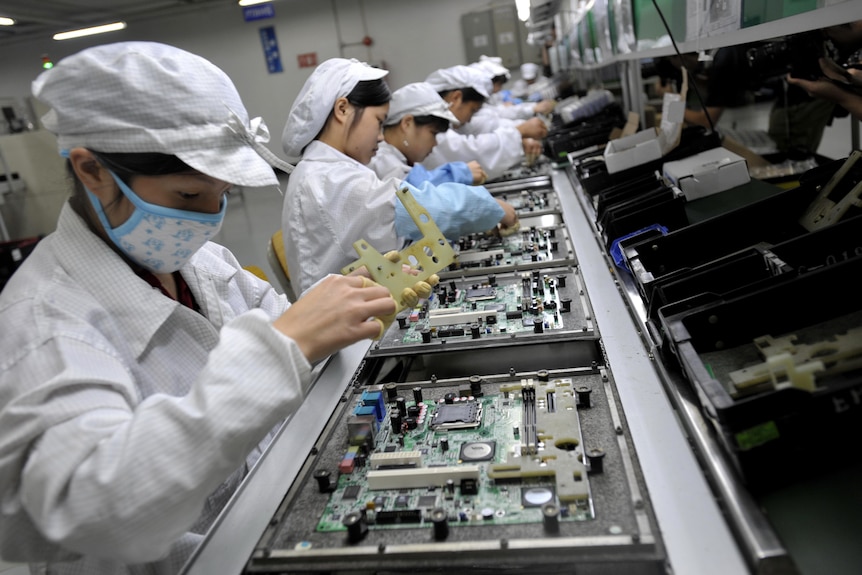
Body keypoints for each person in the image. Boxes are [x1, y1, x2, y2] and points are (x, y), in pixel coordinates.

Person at [0, 42, 396, 575]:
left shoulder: (202, 261)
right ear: (92, 170)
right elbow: (107, 508)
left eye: (223, 195)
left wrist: (340, 307)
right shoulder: (42, 325)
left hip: (267, 516)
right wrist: (281, 349)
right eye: (188, 197)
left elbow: (293, 340)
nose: (210, 218)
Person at [281, 58, 518, 295]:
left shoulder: (330, 170)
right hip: (351, 324)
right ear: (343, 110)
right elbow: (414, 208)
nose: (382, 137)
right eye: (379, 121)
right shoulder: (328, 179)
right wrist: (489, 206)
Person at [419, 65, 546, 181]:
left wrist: (518, 136)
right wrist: (519, 132)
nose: (469, 119)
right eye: (472, 110)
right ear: (456, 98)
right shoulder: (429, 129)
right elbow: (471, 152)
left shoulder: (446, 122)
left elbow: (484, 127)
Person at [369, 81, 487, 186]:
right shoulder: (383, 162)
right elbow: (411, 191)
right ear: (407, 124)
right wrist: (457, 174)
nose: (435, 143)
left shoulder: (394, 159)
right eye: (433, 133)